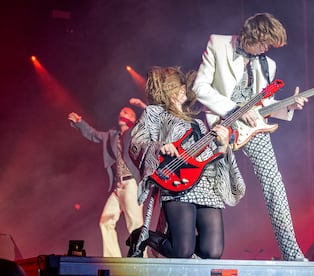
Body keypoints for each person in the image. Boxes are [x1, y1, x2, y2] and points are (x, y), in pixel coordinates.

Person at [192, 12, 309, 261]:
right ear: (254, 34)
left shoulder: (267, 63)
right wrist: (234, 110)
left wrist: (289, 106)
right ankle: (189, 250)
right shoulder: (218, 43)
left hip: (253, 129)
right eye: (265, 44)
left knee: (274, 184)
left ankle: (292, 252)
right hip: (221, 125)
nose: (266, 50)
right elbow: (200, 87)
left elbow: (265, 104)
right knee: (203, 184)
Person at [127, 66, 245, 259]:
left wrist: (223, 146)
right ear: (167, 90)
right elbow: (136, 143)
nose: (183, 90)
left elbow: (209, 156)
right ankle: (142, 236)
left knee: (212, 251)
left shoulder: (198, 123)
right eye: (178, 87)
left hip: (206, 184)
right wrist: (160, 147)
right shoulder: (154, 113)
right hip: (176, 183)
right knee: (182, 251)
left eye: (183, 87)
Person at [68, 107, 146, 257]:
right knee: (105, 220)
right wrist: (79, 122)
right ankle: (113, 259)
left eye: (126, 112)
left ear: (132, 117)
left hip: (132, 184)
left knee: (135, 225)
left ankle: (142, 260)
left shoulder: (136, 134)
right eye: (121, 111)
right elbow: (93, 135)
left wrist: (142, 106)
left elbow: (145, 123)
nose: (121, 113)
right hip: (118, 186)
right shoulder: (112, 135)